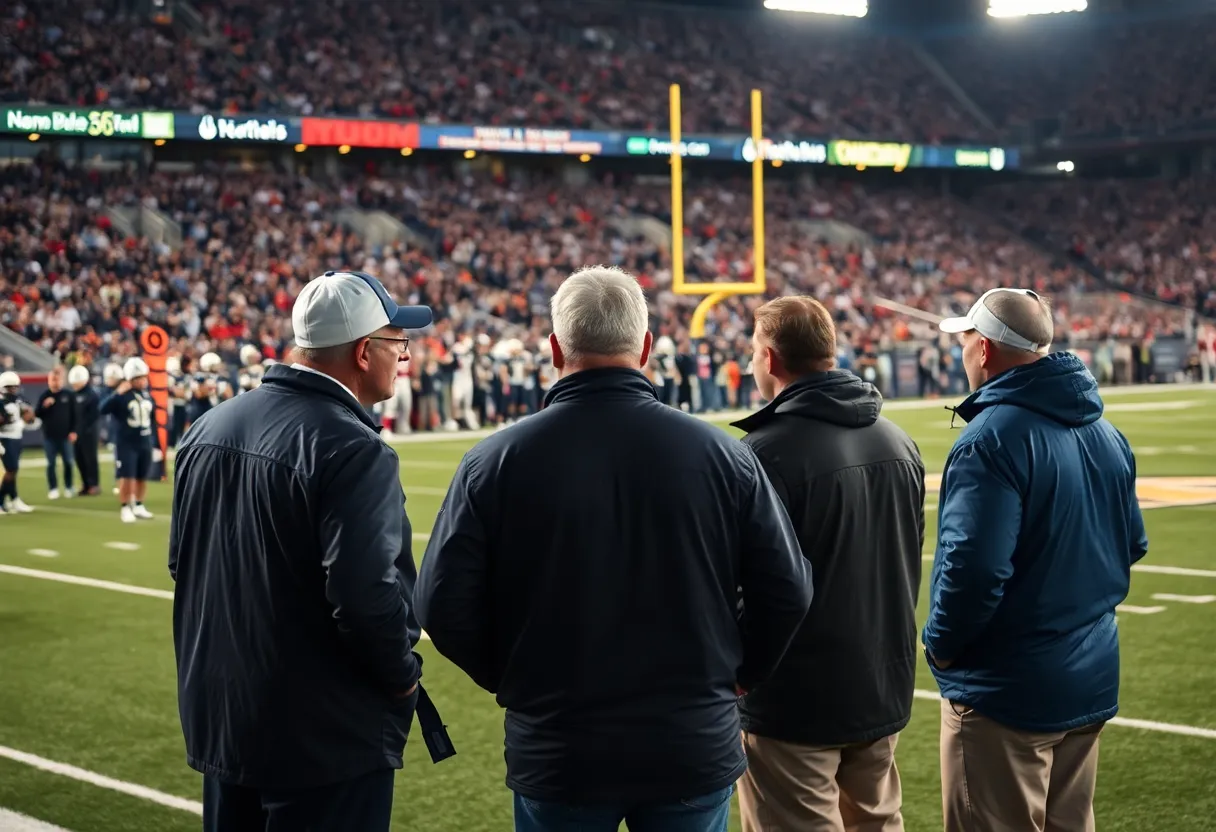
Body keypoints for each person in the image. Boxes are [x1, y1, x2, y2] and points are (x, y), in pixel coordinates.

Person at [415, 265, 814, 832]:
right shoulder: (722, 454)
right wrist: (742, 671)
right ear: (646, 347)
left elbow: (439, 603)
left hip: (561, 745)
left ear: (554, 348)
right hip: (688, 739)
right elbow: (788, 588)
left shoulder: (495, 461)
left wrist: (514, 678)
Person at [169, 270, 453, 832]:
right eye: (399, 343)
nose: (406, 357)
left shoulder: (207, 426)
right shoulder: (352, 447)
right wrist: (402, 676)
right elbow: (365, 596)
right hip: (320, 738)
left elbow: (183, 565)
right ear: (364, 350)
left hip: (224, 720)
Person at [925, 288, 1148, 832]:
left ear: (983, 349)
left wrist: (943, 645)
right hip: (1090, 674)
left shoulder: (990, 439)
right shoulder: (1106, 432)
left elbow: (973, 569)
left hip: (1008, 688)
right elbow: (1132, 543)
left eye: (965, 341)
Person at [732, 297, 925, 832]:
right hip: (881, 676)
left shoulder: (765, 452)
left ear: (770, 359)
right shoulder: (898, 440)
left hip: (796, 694)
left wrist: (743, 671)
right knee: (879, 821)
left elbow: (753, 585)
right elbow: (911, 555)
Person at [100, 358, 156, 523]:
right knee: (127, 476)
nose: (143, 381)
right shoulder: (121, 395)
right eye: (139, 378)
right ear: (131, 379)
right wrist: (117, 393)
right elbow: (102, 409)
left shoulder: (146, 395)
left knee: (142, 475)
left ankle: (138, 504)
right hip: (126, 442)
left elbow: (151, 418)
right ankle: (125, 507)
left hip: (144, 440)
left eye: (144, 377)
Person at [35, 366, 78, 499]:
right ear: (49, 381)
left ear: (61, 380)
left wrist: (74, 431)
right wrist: (44, 406)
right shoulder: (45, 395)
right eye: (52, 379)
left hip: (66, 435)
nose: (55, 382)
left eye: (57, 379)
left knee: (68, 462)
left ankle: (69, 486)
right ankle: (53, 488)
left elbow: (75, 415)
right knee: (51, 463)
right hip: (50, 436)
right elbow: (37, 414)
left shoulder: (68, 395)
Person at [0, 370, 35, 515]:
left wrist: (28, 416)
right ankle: (2, 500)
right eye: (10, 387)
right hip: (5, 437)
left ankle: (14, 499)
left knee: (13, 471)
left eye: (15, 387)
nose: (14, 390)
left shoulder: (18, 400)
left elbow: (30, 417)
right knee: (9, 471)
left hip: (16, 437)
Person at [68, 365, 102, 496]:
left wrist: (78, 431)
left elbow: (91, 417)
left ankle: (94, 484)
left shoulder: (91, 395)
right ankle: (85, 484)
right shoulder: (73, 395)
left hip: (89, 431)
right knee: (79, 458)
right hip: (76, 432)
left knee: (90, 458)